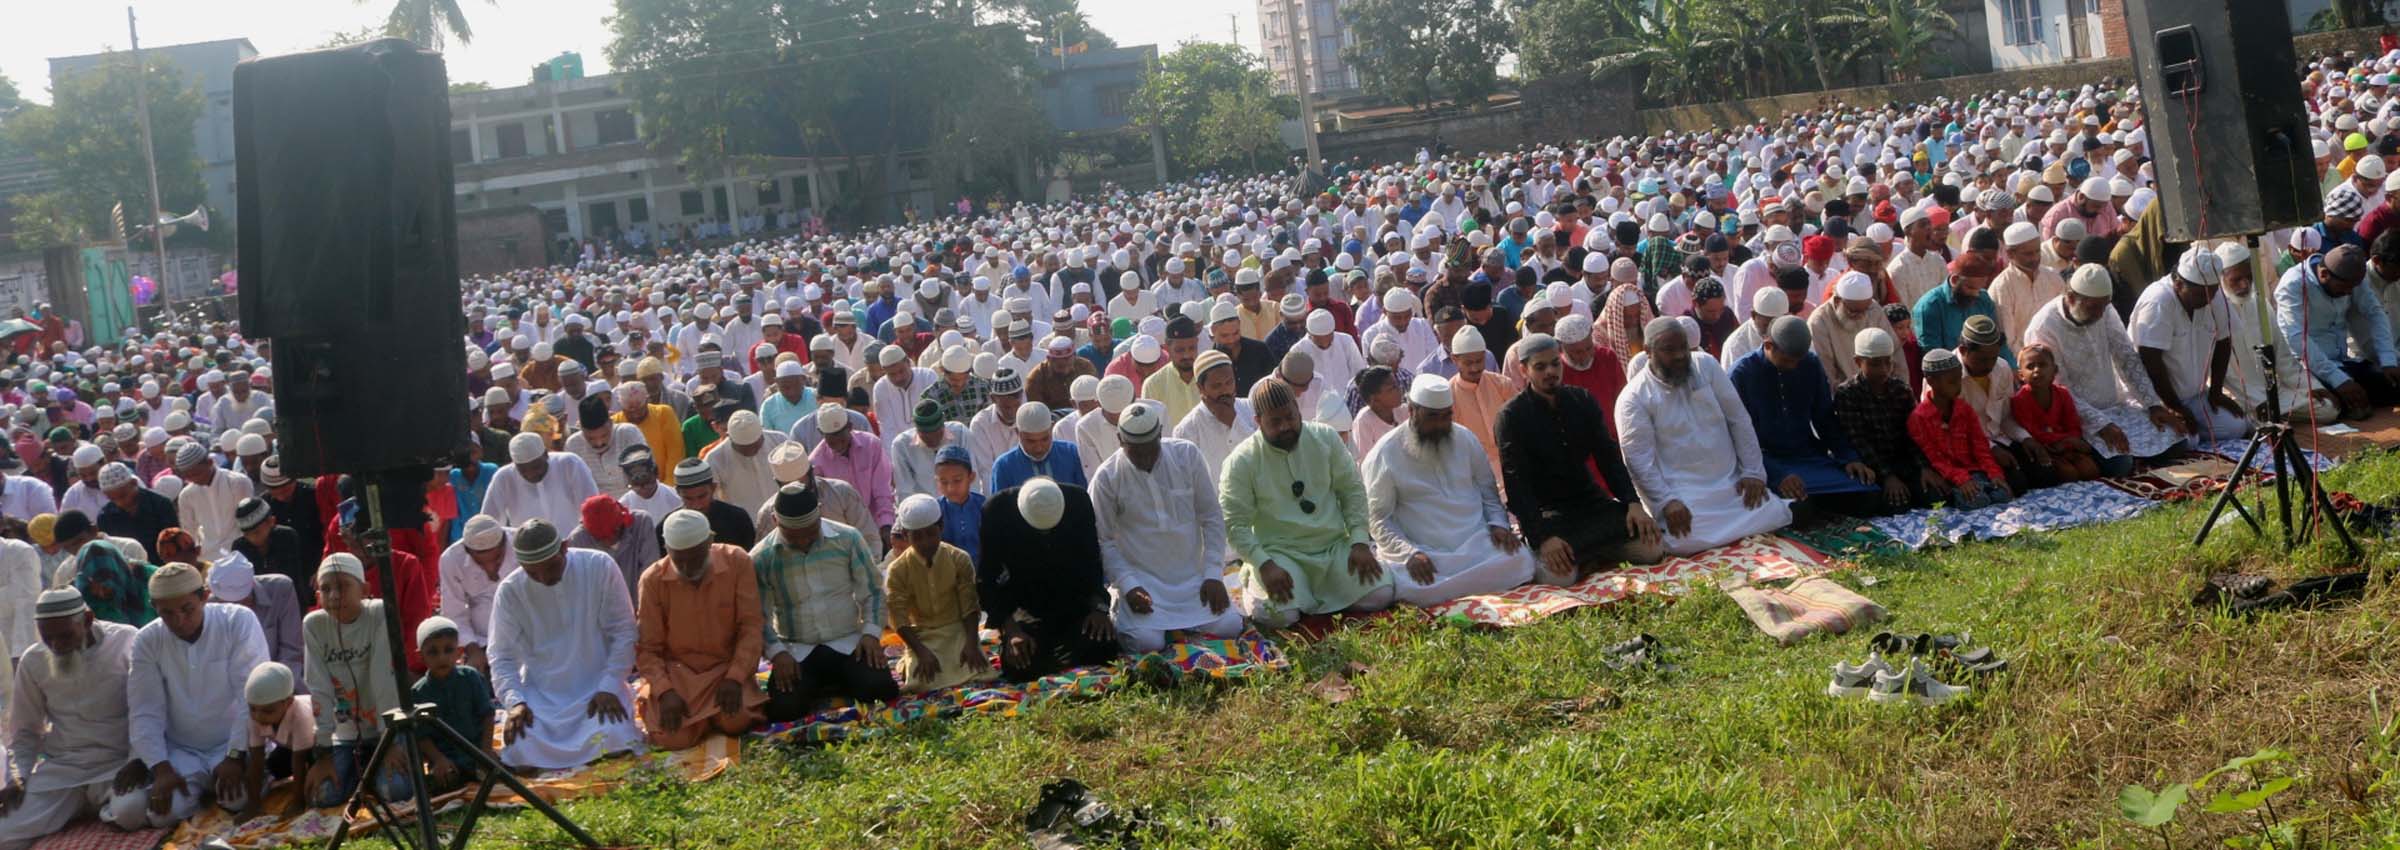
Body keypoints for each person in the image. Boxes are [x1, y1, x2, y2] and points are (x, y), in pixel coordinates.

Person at [1220, 380, 1395, 629]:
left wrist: (1358, 540)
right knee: (1278, 616)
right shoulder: (1241, 460)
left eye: (1290, 417)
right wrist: (1263, 563)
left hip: (1332, 547)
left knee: (1381, 593)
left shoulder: (1325, 438)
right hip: (1280, 555)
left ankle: (1315, 595)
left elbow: (1351, 490)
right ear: (1258, 421)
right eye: (1275, 422)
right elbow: (1234, 523)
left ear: (1298, 409)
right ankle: (1255, 583)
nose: (1285, 426)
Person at [1614, 318, 1793, 555]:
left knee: (1780, 512)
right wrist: (1667, 502)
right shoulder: (1634, 398)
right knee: (1682, 540)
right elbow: (1639, 461)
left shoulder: (1706, 366)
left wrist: (1752, 472)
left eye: (1683, 347)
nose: (1680, 355)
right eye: (1669, 350)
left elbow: (1739, 420)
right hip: (1685, 494)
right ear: (1648, 352)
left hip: (1731, 483)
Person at [1496, 334, 1662, 579]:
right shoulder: (1511, 417)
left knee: (1652, 548)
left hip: (1591, 504)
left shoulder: (1581, 400)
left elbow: (1608, 457)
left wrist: (1632, 503)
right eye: (1540, 367)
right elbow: (1516, 483)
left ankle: (1592, 556)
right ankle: (1588, 556)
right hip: (1549, 515)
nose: (1550, 372)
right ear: (1523, 370)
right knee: (1558, 578)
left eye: (1555, 363)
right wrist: (1542, 538)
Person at [1364, 375, 1535, 605]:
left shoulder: (1465, 438)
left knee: (1520, 558)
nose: (1440, 425)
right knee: (1413, 586)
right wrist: (1408, 554)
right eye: (1432, 417)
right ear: (1412, 411)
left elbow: (1489, 493)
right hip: (1426, 551)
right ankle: (1468, 583)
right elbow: (1378, 519)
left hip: (1475, 541)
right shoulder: (1385, 453)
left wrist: (1498, 524)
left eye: (1446, 416)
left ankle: (1455, 587)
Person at [486, 519, 643, 771]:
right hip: (543, 698)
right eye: (532, 573)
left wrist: (610, 686)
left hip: (597, 689)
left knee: (613, 737)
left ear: (564, 547)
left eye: (550, 567)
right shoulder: (510, 590)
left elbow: (624, 631)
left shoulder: (599, 566)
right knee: (520, 748)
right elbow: (501, 656)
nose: (544, 578)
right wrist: (515, 702)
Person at [123, 563, 269, 828]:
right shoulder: (147, 640)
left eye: (187, 609)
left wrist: (235, 756)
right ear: (154, 607)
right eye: (168, 613)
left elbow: (250, 695)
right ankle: (201, 789)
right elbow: (145, 710)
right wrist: (161, 768)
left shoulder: (237, 621)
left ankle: (222, 785)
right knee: (161, 816)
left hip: (231, 744)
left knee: (239, 799)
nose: (179, 621)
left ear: (204, 596)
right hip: (181, 751)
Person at [1088, 405, 1245, 652]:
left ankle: (1180, 627)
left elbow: (1212, 517)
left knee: (1230, 626)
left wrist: (1213, 574)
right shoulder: (1107, 477)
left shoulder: (1187, 456)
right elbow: (1104, 540)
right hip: (1144, 584)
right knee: (1147, 643)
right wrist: (1129, 586)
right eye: (1136, 451)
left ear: (1160, 434)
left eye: (1150, 449)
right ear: (1120, 440)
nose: (1145, 459)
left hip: (1193, 579)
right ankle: (1126, 610)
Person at [0, 588, 145, 846]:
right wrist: (18, 775)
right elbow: (25, 730)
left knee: (131, 812)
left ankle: (89, 809)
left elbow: (145, 711)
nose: (56, 646)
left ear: (87, 620)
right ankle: (80, 807)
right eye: (48, 638)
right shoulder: (33, 661)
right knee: (4, 830)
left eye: (65, 636)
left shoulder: (126, 641)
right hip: (64, 771)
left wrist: (137, 759)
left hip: (117, 764)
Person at [750, 484, 898, 720]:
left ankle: (838, 681)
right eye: (793, 536)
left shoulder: (848, 538)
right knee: (785, 709)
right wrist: (777, 653)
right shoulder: (761, 557)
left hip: (848, 642)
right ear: (775, 521)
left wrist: (870, 634)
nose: (803, 541)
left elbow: (873, 591)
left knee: (880, 689)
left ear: (820, 513)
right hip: (797, 650)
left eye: (810, 532)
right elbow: (757, 615)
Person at [635, 510, 767, 749]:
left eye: (695, 558)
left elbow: (751, 626)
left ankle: (707, 720)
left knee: (735, 722)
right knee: (674, 739)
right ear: (667, 549)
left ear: (709, 541)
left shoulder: (737, 561)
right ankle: (703, 720)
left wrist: (736, 677)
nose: (688, 568)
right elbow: (648, 648)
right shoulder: (652, 580)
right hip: (679, 676)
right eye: (680, 560)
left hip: (726, 669)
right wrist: (664, 691)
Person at [2026, 264, 2187, 460]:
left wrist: (2153, 404)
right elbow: (2060, 389)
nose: (2100, 314)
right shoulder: (2044, 326)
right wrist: (2101, 425)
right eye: (2094, 308)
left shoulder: (2104, 309)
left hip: (2116, 406)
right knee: (2120, 461)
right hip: (2076, 416)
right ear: (2071, 298)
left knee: (2178, 440)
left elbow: (2126, 357)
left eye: (2105, 306)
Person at [1728, 317, 1880, 514]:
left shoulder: (1810, 363)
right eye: (1787, 360)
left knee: (1869, 494)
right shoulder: (1741, 374)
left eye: (1798, 361)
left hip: (1808, 458)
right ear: (1768, 345)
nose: (1793, 366)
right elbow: (1739, 438)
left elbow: (1825, 418)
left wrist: (1849, 457)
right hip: (1765, 462)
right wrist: (1778, 474)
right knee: (1799, 509)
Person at [297, 554, 410, 807]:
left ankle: (373, 770)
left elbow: (383, 677)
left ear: (365, 590)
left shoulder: (379, 613)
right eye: (326, 589)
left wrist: (389, 740)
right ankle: (362, 772)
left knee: (394, 791)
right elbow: (318, 686)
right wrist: (323, 752)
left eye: (343, 586)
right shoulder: (314, 625)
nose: (334, 596)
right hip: (344, 735)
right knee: (322, 796)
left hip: (385, 728)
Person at [979, 477, 1117, 680]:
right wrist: (1011, 630)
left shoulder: (1078, 501)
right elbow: (987, 579)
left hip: (1074, 603)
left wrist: (1098, 608)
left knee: (1103, 645)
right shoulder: (997, 510)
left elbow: (1092, 562)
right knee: (1020, 664)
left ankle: (1057, 659)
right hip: (1025, 610)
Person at [2130, 249, 2249, 445]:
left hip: (2195, 396)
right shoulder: (2158, 301)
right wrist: (2173, 406)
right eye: (2201, 295)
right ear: (2178, 285)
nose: (2208, 300)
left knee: (2236, 426)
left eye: (2213, 292)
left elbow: (2224, 341)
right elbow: (2149, 360)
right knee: (2187, 440)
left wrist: (2216, 391)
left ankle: (2192, 429)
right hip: (2157, 399)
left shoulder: (2212, 294)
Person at [2274, 243, 2400, 419]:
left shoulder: (2351, 278)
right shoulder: (2293, 285)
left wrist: (2388, 360)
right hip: (2307, 367)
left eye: (2352, 288)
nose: (2349, 293)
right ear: (2324, 274)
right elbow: (2297, 339)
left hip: (2342, 363)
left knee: (2392, 383)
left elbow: (2375, 313)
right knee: (2330, 406)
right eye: (2344, 288)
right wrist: (2339, 380)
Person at [884, 495, 994, 693]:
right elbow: (898, 618)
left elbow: (969, 605)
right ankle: (910, 659)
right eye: (917, 537)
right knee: (919, 682)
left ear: (941, 527)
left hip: (957, 631)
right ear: (906, 535)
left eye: (930, 534)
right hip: (922, 636)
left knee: (979, 671)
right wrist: (920, 651)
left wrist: (971, 643)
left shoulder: (959, 558)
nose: (925, 542)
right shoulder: (897, 570)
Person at [1831, 328, 1941, 511]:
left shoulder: (1901, 390)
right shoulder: (1847, 394)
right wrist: (1887, 476)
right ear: (1858, 362)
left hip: (1903, 463)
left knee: (1935, 496)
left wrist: (1924, 468)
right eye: (1875, 364)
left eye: (1887, 362)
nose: (1883, 370)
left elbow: (1914, 434)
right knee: (1887, 504)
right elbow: (1859, 441)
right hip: (1870, 466)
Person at [1911, 349, 2016, 508]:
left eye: (1959, 380)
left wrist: (1994, 474)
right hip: (1947, 475)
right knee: (1976, 500)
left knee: (2003, 494)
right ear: (1932, 382)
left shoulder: (1964, 409)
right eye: (1952, 382)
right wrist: (1961, 480)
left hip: (1974, 470)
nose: (1958, 387)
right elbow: (1935, 458)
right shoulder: (1919, 418)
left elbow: (1980, 446)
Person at [410, 617, 494, 796]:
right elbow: (421, 735)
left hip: (477, 753)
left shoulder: (471, 677)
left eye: (448, 650)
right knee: (441, 785)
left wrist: (486, 750)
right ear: (420, 656)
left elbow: (487, 714)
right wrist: (438, 759)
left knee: (495, 774)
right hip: (447, 760)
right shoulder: (419, 692)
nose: (442, 658)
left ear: (459, 652)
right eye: (433, 652)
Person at [205, 554, 306, 692]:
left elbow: (291, 651)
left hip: (281, 684)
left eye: (241, 601)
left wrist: (279, 689)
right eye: (228, 603)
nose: (236, 608)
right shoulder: (208, 606)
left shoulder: (280, 589)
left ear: (252, 586)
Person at [2009, 344, 2104, 483]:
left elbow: (2073, 425)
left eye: (2042, 365)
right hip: (2045, 448)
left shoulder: (2063, 394)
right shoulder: (2019, 400)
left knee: (2090, 470)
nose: (2037, 370)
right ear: (2021, 375)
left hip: (2069, 445)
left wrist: (2068, 443)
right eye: (2030, 366)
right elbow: (2033, 433)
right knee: (2068, 474)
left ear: (2055, 370)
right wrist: (2064, 441)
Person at [806, 403, 895, 547]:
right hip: (842, 539)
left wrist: (886, 525)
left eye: (840, 436)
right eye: (831, 438)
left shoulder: (872, 445)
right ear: (821, 433)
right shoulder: (816, 463)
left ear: (850, 427)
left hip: (877, 528)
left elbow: (882, 490)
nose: (837, 442)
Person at [436, 515, 515, 675]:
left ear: (504, 545)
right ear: (467, 551)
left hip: (529, 638)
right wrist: (472, 649)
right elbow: (454, 613)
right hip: (482, 642)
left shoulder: (521, 543)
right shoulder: (451, 559)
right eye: (481, 563)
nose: (490, 568)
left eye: (497, 560)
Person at [481, 433, 602, 535]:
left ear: (545, 454)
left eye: (536, 467)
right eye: (523, 470)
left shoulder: (569, 464)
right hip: (528, 552)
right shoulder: (503, 478)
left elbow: (592, 509)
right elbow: (489, 523)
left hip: (573, 546)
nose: (530, 474)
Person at [1171, 350, 1256, 482]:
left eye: (1229, 382)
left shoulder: (1250, 408)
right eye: (1217, 386)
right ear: (1200, 388)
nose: (1225, 390)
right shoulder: (1186, 430)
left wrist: (1234, 421)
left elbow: (1262, 454)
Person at [567, 494, 661, 603]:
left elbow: (651, 571)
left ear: (621, 524)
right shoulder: (578, 540)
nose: (608, 540)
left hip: (643, 601)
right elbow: (578, 585)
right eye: (601, 538)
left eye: (613, 532)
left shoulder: (641, 523)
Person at [171, 440, 253, 562]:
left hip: (241, 554)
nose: (194, 479)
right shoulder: (186, 495)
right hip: (208, 559)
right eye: (189, 476)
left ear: (210, 462)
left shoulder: (237, 482)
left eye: (197, 473)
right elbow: (189, 532)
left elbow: (249, 524)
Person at [701, 411, 787, 514]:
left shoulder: (780, 441)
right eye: (745, 447)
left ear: (762, 433)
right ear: (729, 437)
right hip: (743, 521)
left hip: (784, 515)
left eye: (755, 445)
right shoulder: (715, 458)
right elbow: (710, 496)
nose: (751, 451)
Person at [989, 403, 1084, 492]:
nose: (1039, 448)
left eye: (1044, 439)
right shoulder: (1003, 467)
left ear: (1052, 427)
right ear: (1018, 432)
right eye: (1031, 441)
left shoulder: (1072, 454)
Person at [891, 398, 970, 503]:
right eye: (926, 436)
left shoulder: (961, 432)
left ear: (943, 424)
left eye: (937, 434)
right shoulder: (901, 445)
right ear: (917, 430)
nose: (933, 440)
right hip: (923, 508)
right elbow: (904, 491)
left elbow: (972, 481)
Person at [671, 458, 757, 547]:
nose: (697, 505)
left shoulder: (738, 519)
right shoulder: (671, 526)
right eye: (688, 499)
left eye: (702, 496)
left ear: (713, 488)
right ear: (678, 492)